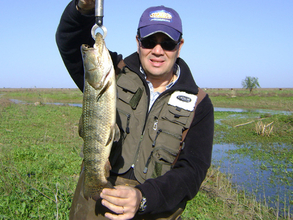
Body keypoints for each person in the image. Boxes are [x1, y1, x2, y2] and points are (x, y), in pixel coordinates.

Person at [56, 1, 214, 219]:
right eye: (149, 41)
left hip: (153, 209)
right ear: (138, 41)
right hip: (97, 202)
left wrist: (144, 197)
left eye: (167, 43)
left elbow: (192, 172)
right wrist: (82, 9)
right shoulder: (111, 73)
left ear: (180, 45)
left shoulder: (199, 104)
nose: (157, 51)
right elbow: (69, 41)